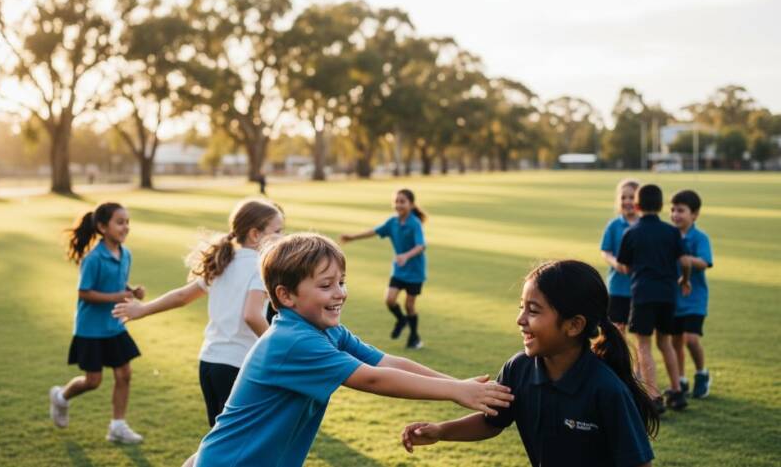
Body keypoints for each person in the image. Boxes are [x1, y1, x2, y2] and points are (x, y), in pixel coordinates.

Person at [191, 233, 514, 467]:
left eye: (341, 282)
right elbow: (373, 379)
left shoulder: (325, 331)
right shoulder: (294, 342)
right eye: (325, 285)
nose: (340, 293)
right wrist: (455, 391)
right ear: (286, 296)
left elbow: (389, 362)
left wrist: (461, 385)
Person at [401, 260, 659, 467]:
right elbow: (492, 422)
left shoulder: (606, 390)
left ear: (574, 325)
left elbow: (638, 462)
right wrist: (440, 431)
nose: (520, 319)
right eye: (521, 307)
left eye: (533, 311)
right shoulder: (519, 369)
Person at [112, 198, 284, 427]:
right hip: (237, 366)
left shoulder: (224, 261)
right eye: (278, 231)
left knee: (220, 441)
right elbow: (252, 315)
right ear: (255, 234)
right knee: (238, 442)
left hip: (210, 363)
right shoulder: (259, 266)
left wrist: (143, 309)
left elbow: (182, 296)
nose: (282, 238)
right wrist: (281, 346)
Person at [48, 202, 146, 443]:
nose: (126, 227)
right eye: (120, 222)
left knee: (124, 374)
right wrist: (116, 296)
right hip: (90, 329)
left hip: (114, 326)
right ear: (103, 227)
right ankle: (61, 397)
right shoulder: (92, 259)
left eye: (127, 222)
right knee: (93, 381)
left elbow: (119, 282)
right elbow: (84, 292)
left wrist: (132, 290)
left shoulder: (126, 254)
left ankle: (117, 426)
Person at [617, 184, 692, 413]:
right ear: (661, 206)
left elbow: (624, 265)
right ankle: (677, 391)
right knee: (665, 343)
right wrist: (684, 280)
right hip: (667, 295)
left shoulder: (631, 232)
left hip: (643, 295)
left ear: (637, 205)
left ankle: (653, 397)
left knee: (644, 345)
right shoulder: (672, 232)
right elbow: (686, 262)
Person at [341, 189, 427, 348]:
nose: (399, 205)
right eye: (396, 201)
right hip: (399, 270)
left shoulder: (415, 223)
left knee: (409, 306)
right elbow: (373, 231)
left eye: (403, 201)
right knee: (389, 300)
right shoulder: (392, 222)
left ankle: (414, 337)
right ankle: (401, 320)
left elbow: (421, 246)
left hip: (415, 271)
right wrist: (352, 237)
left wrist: (405, 256)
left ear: (411, 204)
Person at [669, 190, 713, 398]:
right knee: (675, 341)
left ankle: (702, 373)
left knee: (691, 339)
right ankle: (680, 379)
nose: (675, 214)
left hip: (694, 299)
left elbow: (704, 262)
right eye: (672, 210)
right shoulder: (668, 235)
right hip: (672, 298)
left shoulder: (700, 237)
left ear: (694, 214)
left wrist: (685, 259)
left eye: (681, 210)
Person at [600, 179, 640, 333]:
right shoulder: (614, 225)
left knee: (639, 333)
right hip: (617, 287)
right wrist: (616, 264)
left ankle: (638, 359)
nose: (627, 201)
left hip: (640, 288)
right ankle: (619, 358)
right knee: (617, 330)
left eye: (632, 197)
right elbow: (605, 251)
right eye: (623, 197)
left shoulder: (644, 225)